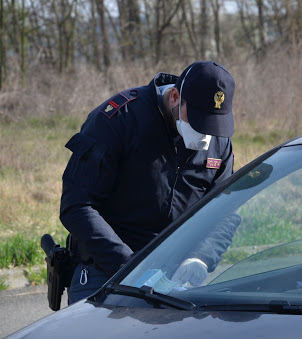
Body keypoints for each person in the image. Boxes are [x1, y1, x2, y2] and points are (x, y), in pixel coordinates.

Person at [60, 61, 236, 304]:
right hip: (107, 269)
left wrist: (202, 257)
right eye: (198, 121)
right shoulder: (119, 120)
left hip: (176, 279)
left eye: (213, 124)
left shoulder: (219, 141)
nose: (206, 135)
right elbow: (77, 205)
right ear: (175, 97)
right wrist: (129, 266)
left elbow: (224, 210)